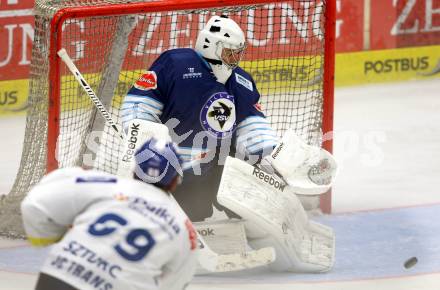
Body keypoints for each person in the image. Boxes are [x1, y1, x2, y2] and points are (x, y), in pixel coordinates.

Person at [120, 15, 278, 221]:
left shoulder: (241, 81)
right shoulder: (175, 64)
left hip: (214, 165)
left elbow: (253, 125)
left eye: (238, 53)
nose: (235, 59)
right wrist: (143, 133)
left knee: (249, 188)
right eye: (229, 53)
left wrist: (270, 154)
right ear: (210, 46)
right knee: (183, 216)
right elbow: (138, 104)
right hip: (173, 168)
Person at [21, 139, 198, 290]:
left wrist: (46, 239)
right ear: (175, 180)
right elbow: (177, 283)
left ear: (135, 169)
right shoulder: (185, 228)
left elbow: (33, 204)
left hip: (60, 275)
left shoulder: (106, 183)